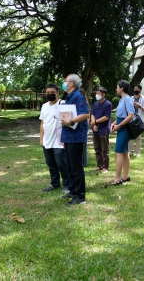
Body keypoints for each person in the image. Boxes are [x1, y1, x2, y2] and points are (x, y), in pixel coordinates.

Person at [59, 74, 90, 205]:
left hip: (76, 136)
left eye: (66, 81)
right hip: (68, 136)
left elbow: (85, 114)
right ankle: (72, 190)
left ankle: (80, 195)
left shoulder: (77, 96)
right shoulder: (69, 96)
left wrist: (71, 121)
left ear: (71, 83)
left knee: (76, 166)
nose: (64, 83)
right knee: (70, 165)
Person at [39, 83, 69, 193]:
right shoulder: (44, 106)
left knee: (62, 163)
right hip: (47, 140)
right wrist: (41, 139)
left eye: (52, 93)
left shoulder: (63, 104)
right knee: (50, 163)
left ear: (58, 93)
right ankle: (54, 183)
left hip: (59, 140)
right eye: (48, 93)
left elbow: (68, 123)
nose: (50, 94)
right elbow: (42, 123)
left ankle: (67, 185)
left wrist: (65, 139)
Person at [110, 80, 135, 185]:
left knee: (118, 153)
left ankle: (117, 178)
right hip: (120, 126)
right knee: (124, 152)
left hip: (124, 128)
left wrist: (119, 126)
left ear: (122, 88)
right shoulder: (122, 99)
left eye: (117, 87)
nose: (116, 89)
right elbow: (121, 115)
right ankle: (125, 176)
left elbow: (131, 115)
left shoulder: (127, 99)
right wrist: (115, 123)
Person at [90, 87, 112, 174]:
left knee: (104, 149)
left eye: (99, 93)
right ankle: (99, 165)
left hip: (104, 129)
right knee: (97, 148)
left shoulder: (108, 104)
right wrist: (94, 124)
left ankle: (105, 167)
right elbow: (93, 114)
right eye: (97, 93)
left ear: (103, 94)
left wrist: (95, 122)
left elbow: (106, 117)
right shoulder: (95, 104)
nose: (97, 95)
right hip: (95, 129)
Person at [129, 84, 144, 157]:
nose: (135, 91)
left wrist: (139, 106)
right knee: (130, 136)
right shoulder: (131, 98)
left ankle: (138, 152)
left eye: (137, 89)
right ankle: (131, 151)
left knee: (138, 137)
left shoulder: (143, 99)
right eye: (134, 89)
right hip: (131, 119)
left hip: (139, 119)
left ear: (140, 90)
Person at [78, 88, 91, 167]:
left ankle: (84, 162)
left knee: (83, 145)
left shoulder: (85, 104)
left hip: (83, 126)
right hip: (80, 126)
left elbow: (88, 116)